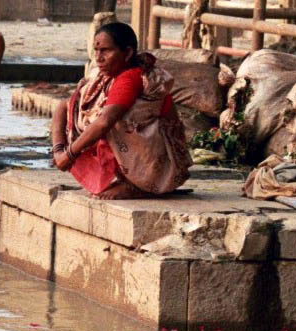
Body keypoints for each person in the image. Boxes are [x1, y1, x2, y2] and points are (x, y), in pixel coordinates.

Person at [50, 22, 191, 200]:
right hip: (141, 157)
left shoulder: (130, 78)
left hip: (160, 162)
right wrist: (59, 151)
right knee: (78, 109)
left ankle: (137, 185)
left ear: (128, 53)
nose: (99, 58)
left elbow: (104, 123)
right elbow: (64, 106)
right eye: (96, 51)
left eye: (106, 51)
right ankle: (120, 177)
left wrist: (69, 155)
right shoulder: (102, 76)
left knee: (114, 122)